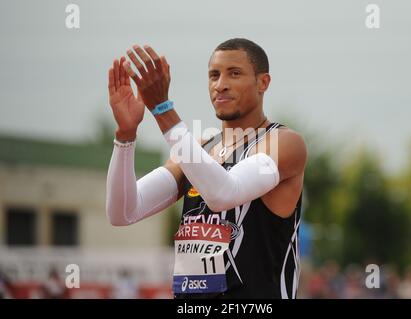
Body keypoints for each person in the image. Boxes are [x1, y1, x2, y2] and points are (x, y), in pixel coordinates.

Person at [106, 38, 307, 299]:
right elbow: (123, 212)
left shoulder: (284, 142)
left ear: (263, 82)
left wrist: (162, 109)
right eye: (214, 75)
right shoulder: (198, 149)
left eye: (234, 73)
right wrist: (125, 135)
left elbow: (223, 193)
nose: (220, 84)